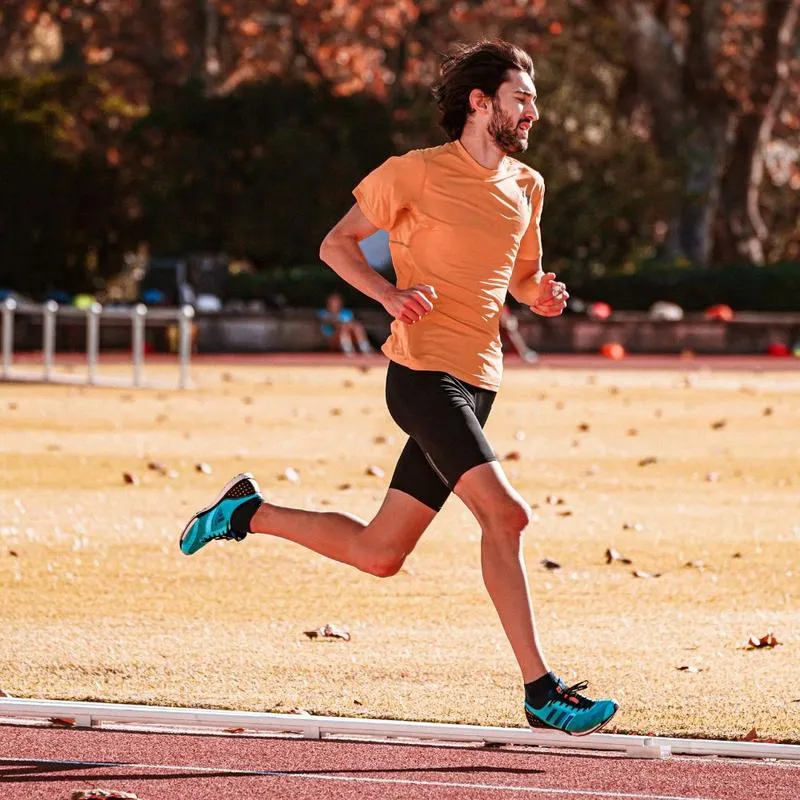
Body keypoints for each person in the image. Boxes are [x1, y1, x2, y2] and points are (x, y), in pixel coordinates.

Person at [179, 40, 618, 736]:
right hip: (421, 376)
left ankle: (245, 512)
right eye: (522, 98)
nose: (533, 112)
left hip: (480, 382)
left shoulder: (527, 186)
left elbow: (522, 278)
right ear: (480, 102)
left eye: (534, 101)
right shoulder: (413, 172)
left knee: (380, 554)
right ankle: (542, 692)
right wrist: (388, 295)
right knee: (507, 516)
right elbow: (336, 244)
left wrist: (542, 295)